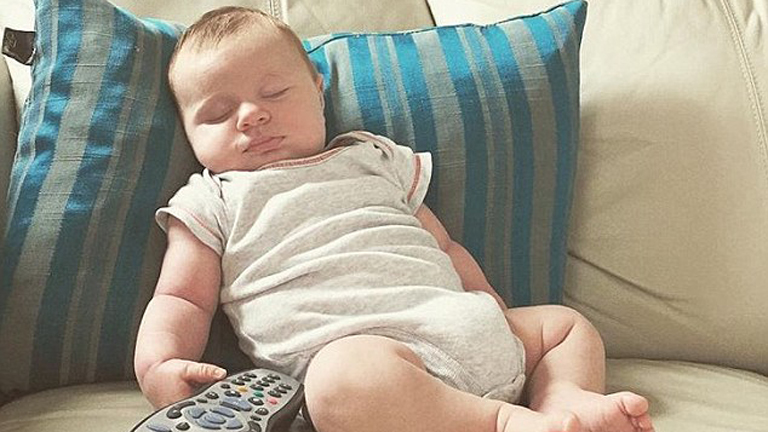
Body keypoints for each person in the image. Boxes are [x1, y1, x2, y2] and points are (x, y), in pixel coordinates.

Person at [134, 6, 655, 432]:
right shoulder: (211, 200)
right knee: (339, 380)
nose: (252, 115)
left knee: (563, 326)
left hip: (464, 325)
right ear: (187, 130)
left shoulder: (372, 156)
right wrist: (159, 363)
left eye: (274, 93)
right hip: (371, 365)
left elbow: (443, 246)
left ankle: (563, 399)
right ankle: (502, 421)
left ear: (318, 89)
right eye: (218, 113)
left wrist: (490, 305)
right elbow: (181, 298)